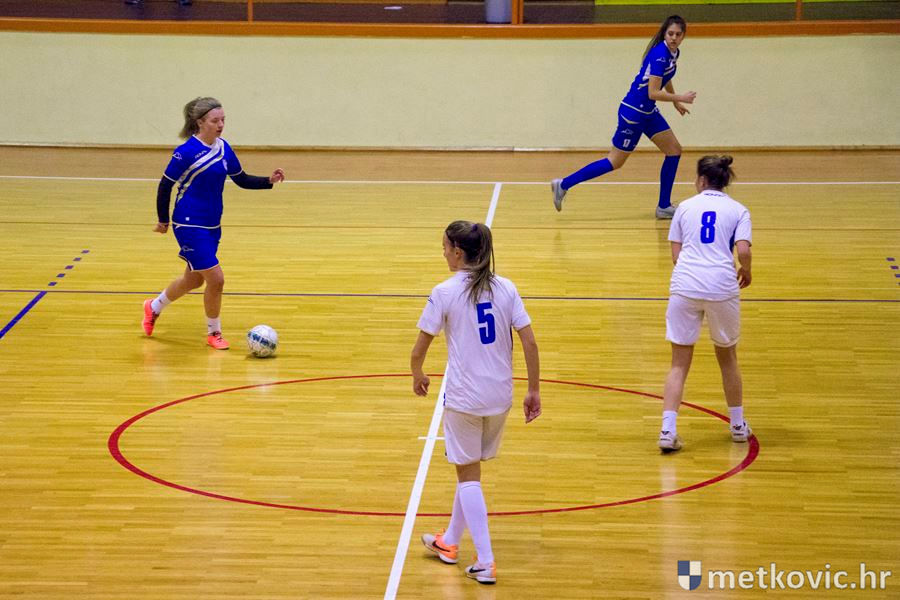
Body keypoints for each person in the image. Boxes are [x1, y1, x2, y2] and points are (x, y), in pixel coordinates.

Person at [411, 221, 542, 585]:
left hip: (465, 398)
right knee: (469, 468)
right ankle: (450, 542)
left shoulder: (444, 291)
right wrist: (534, 390)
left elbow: (419, 348)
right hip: (500, 396)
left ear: (458, 252)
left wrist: (417, 373)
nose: (442, 253)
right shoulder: (506, 287)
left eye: (444, 247)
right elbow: (530, 342)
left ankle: (485, 560)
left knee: (467, 474)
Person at [142, 97, 285, 349]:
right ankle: (214, 333)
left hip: (212, 225)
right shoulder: (185, 152)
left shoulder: (224, 148)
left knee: (194, 280)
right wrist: (163, 220)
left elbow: (241, 179)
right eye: (215, 121)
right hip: (188, 222)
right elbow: (165, 185)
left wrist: (268, 181)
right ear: (200, 122)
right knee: (216, 279)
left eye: (223, 120)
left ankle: (153, 307)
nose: (220, 125)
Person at [551, 15, 696, 219]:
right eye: (670, 33)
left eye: (678, 34)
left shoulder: (673, 53)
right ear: (664, 33)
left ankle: (663, 206)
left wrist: (675, 102)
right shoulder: (660, 55)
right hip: (633, 113)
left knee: (674, 151)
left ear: (683, 36)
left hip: (647, 111)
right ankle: (563, 184)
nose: (673, 38)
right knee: (615, 161)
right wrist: (680, 97)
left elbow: (665, 77)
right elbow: (653, 92)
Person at [657, 155, 752, 452]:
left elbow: (676, 255)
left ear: (701, 180)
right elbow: (743, 250)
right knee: (728, 357)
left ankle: (667, 430)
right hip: (722, 286)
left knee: (678, 363)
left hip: (685, 285)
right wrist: (746, 270)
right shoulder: (738, 209)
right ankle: (737, 425)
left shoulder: (684, 207)